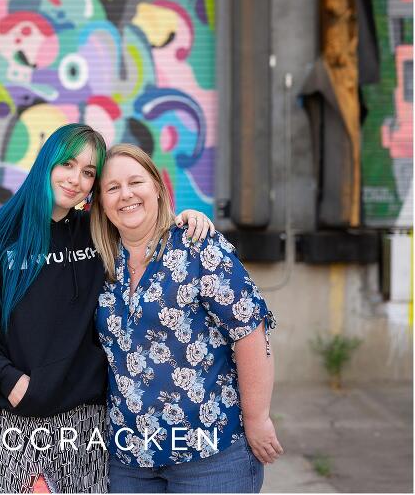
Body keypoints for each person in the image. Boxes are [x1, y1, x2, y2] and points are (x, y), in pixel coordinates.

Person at [0, 124, 214, 493]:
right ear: (46, 163)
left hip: (90, 421)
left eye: (89, 172)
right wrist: (13, 384)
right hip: (20, 420)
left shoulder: (97, 233)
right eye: (68, 164)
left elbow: (141, 224)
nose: (76, 179)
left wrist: (185, 220)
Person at [89, 143, 282, 493]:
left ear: (158, 188)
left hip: (211, 456)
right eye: (112, 188)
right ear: (101, 202)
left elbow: (250, 330)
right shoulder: (99, 262)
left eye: (136, 182)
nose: (126, 194)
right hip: (129, 459)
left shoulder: (197, 246)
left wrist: (258, 419)